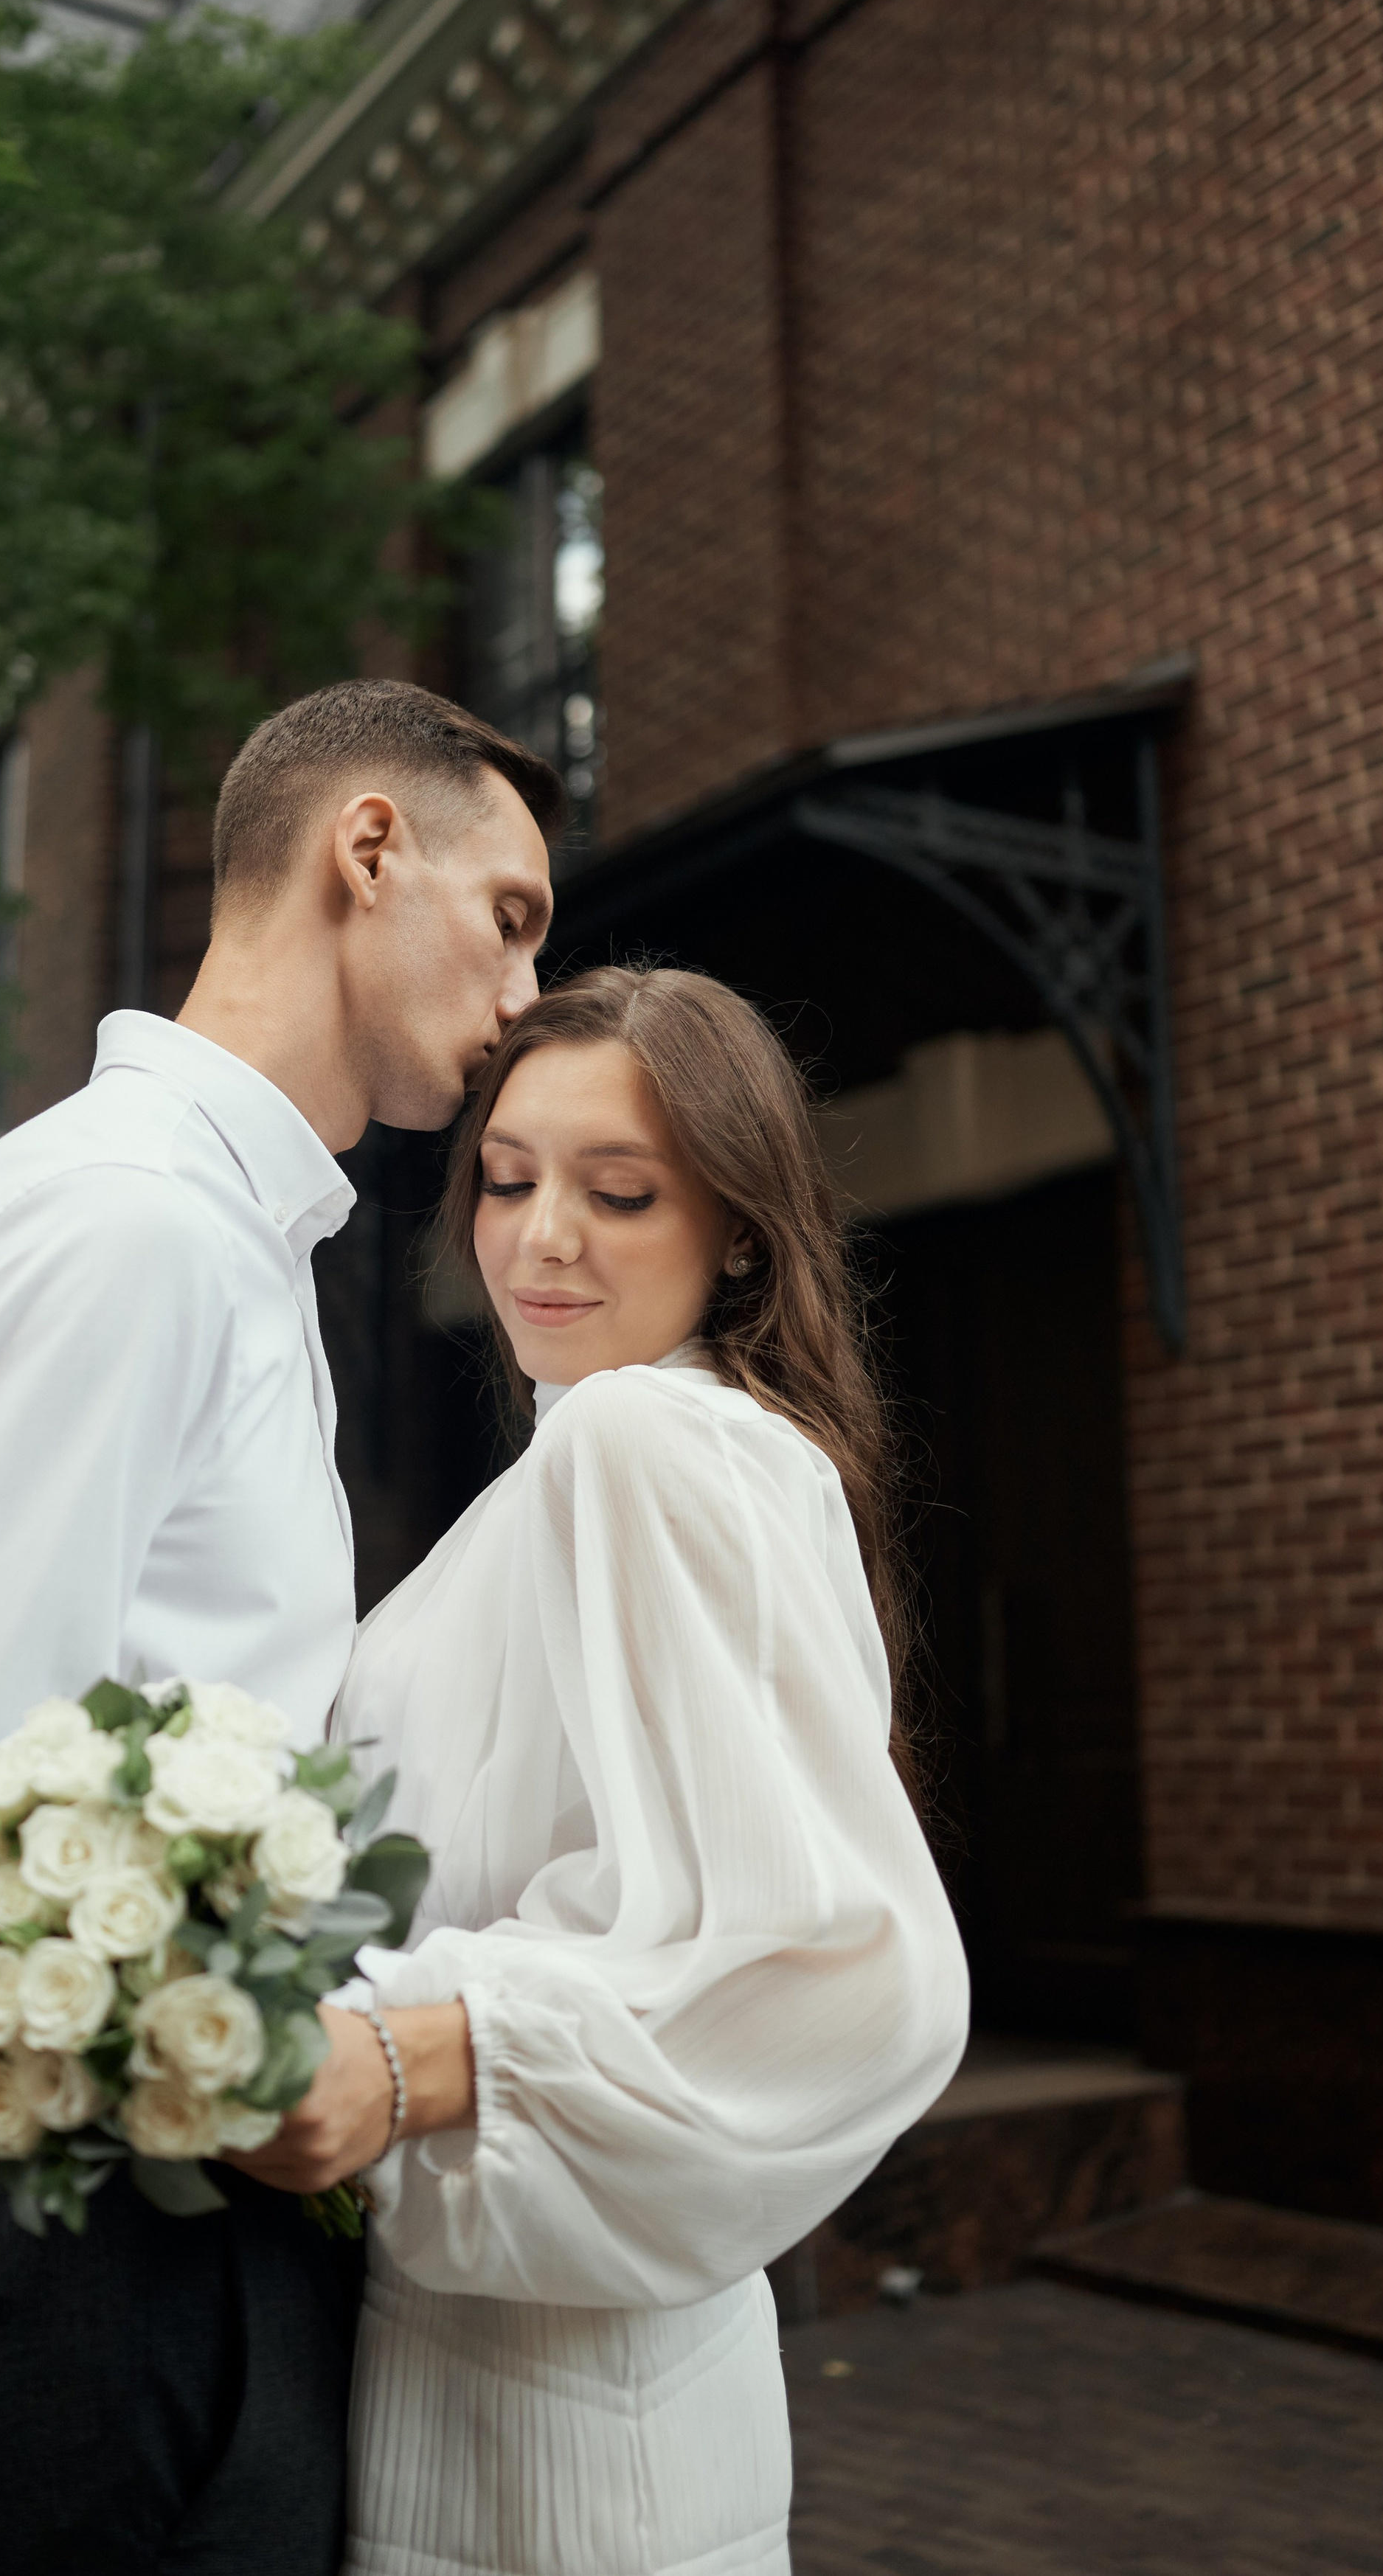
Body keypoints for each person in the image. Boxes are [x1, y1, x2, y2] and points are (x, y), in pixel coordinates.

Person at [0, 680, 561, 2576]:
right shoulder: (126, 1224)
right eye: (510, 919)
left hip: (200, 2260)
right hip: (85, 2287)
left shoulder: (233, 1242)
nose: (524, 994)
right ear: (365, 850)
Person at [228, 966, 971, 2576]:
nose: (540, 1238)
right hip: (507, 2331)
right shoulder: (611, 1458)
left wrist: (408, 2060)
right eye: (506, 1181)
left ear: (739, 1233)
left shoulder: (645, 1442)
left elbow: (841, 1966)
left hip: (568, 2399)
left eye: (617, 1193)